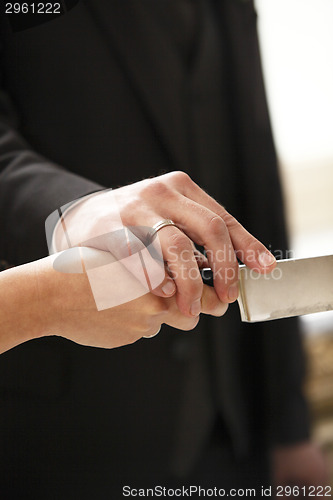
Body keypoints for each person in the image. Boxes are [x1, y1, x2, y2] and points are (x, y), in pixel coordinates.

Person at [0, 0, 327, 498]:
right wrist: (73, 211)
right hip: (72, 434)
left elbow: (254, 171)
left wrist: (289, 426)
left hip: (237, 430)